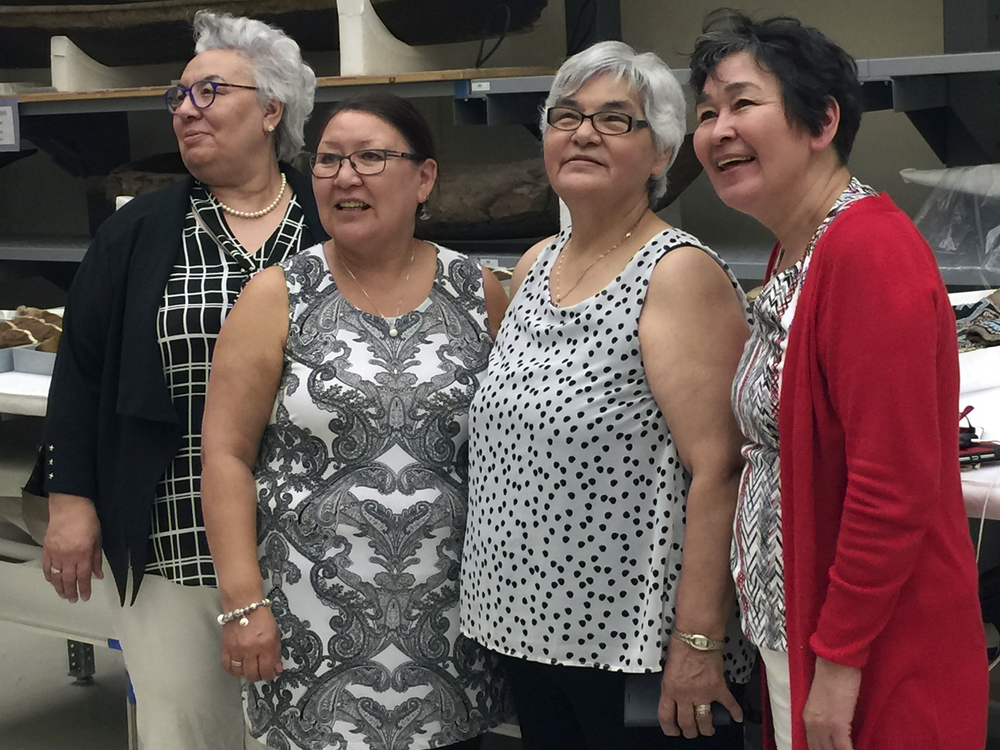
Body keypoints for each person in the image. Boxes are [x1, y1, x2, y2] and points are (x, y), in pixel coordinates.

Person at [689, 10, 989, 750]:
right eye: (705, 113)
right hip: (801, 637)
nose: (717, 129)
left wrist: (840, 663)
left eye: (741, 103)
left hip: (870, 655)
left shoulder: (868, 253)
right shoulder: (797, 251)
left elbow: (891, 486)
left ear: (821, 120)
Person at [31, 11, 325, 750]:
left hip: (319, 538)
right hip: (172, 532)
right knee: (188, 727)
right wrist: (71, 498)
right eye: (177, 95)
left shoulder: (331, 221)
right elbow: (82, 369)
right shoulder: (139, 231)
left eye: (208, 92)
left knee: (310, 729)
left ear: (270, 109)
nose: (183, 110)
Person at [459, 40, 755, 750]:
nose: (583, 132)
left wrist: (698, 642)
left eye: (615, 119)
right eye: (565, 116)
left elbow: (719, 470)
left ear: (661, 154)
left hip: (635, 649)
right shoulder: (534, 265)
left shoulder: (677, 274)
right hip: (524, 632)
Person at [199, 92, 510, 750]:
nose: (345, 176)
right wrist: (243, 603)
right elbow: (225, 454)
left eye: (371, 157)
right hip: (305, 628)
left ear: (423, 178)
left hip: (451, 627)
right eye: (329, 160)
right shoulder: (276, 296)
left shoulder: (479, 292)